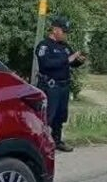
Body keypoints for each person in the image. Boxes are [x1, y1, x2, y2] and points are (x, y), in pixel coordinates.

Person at [35, 17, 86, 152]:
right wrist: (67, 59)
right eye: (64, 31)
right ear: (55, 30)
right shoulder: (44, 46)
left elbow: (72, 62)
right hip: (51, 86)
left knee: (60, 116)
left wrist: (79, 61)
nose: (65, 35)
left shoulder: (65, 46)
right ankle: (41, 144)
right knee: (48, 117)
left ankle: (57, 141)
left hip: (64, 86)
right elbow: (46, 64)